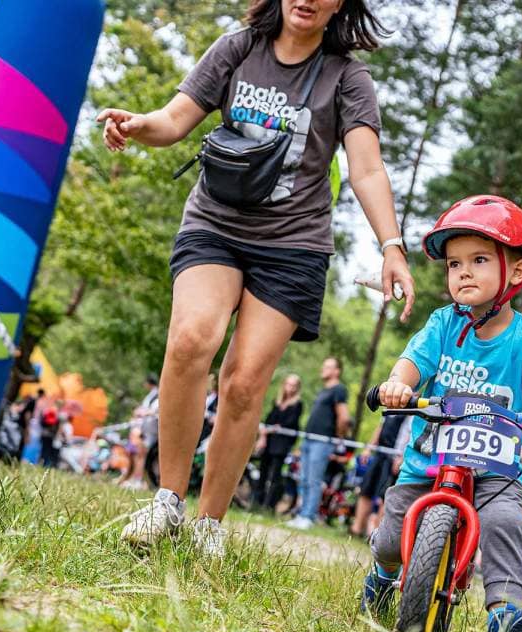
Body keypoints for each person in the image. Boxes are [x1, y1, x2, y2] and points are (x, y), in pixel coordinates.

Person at [100, 0, 414, 555]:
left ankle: (208, 526)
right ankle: (166, 503)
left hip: (292, 245)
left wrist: (391, 245)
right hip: (216, 223)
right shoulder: (237, 49)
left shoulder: (348, 78)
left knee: (243, 383)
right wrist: (136, 123)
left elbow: (366, 168)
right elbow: (174, 120)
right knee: (192, 338)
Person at [362, 195, 522, 632]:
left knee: (504, 523)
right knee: (394, 536)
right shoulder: (441, 323)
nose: (463, 273)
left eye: (479, 260)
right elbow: (414, 361)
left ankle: (504, 621)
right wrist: (399, 385)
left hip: (496, 470)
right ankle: (381, 576)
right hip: (428, 463)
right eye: (455, 264)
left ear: (515, 274)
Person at [287, 357, 350, 530]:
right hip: (309, 440)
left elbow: (344, 417)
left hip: (322, 442)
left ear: (337, 371)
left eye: (328, 367)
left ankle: (309, 516)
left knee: (314, 480)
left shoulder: (339, 390)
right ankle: (301, 514)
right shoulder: (323, 390)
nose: (323, 369)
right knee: (304, 479)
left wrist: (337, 438)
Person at [349, 413, 404, 537]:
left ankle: (376, 535)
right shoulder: (390, 407)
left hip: (394, 457)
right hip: (379, 454)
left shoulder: (411, 409)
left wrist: (402, 456)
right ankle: (356, 528)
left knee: (385, 497)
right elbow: (380, 427)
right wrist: (368, 448)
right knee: (365, 490)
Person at [253, 373, 303, 509]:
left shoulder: (297, 404)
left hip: (281, 445)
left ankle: (268, 505)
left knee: (275, 475)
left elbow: (289, 423)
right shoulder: (277, 401)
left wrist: (270, 429)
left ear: (297, 388)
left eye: (293, 385)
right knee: (262, 472)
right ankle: (256, 502)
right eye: (288, 384)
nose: (290, 388)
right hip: (269, 442)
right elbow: (269, 420)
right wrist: (265, 433)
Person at [122, 375, 160, 490]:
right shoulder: (151, 395)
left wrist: (142, 412)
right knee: (137, 454)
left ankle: (138, 480)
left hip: (151, 431)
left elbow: (155, 411)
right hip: (143, 430)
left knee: (141, 455)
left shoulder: (157, 395)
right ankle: (135, 478)